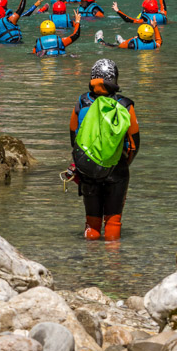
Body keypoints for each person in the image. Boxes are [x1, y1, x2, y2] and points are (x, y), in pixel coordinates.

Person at [69, 59, 139, 240]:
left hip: (87, 168)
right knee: (113, 221)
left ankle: (92, 261)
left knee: (92, 222)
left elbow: (73, 138)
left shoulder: (81, 102)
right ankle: (112, 264)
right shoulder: (125, 105)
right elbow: (134, 144)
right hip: (117, 169)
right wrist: (122, 162)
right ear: (114, 79)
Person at [95, 19, 162, 50]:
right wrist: (155, 26)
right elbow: (159, 40)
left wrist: (133, 38)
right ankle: (121, 40)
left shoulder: (132, 44)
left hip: (128, 46)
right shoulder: (155, 45)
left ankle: (100, 41)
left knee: (115, 46)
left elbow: (121, 46)